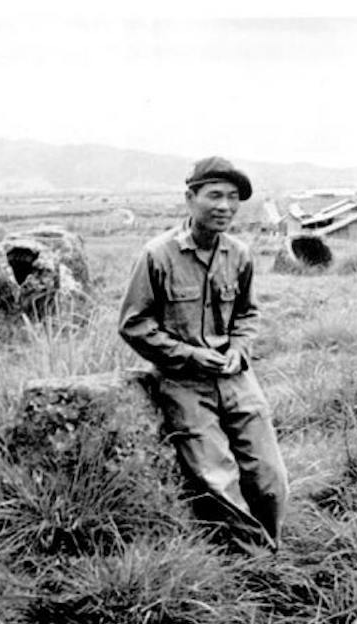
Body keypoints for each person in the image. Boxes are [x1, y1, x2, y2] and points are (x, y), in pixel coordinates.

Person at [118, 155, 288, 556]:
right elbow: (134, 324)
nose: (225, 206)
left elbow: (247, 314)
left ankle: (272, 545)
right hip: (183, 381)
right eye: (214, 195)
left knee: (269, 475)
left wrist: (238, 349)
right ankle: (256, 560)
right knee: (216, 474)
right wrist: (190, 355)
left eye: (233, 198)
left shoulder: (239, 254)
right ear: (190, 198)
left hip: (235, 374)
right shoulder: (157, 255)